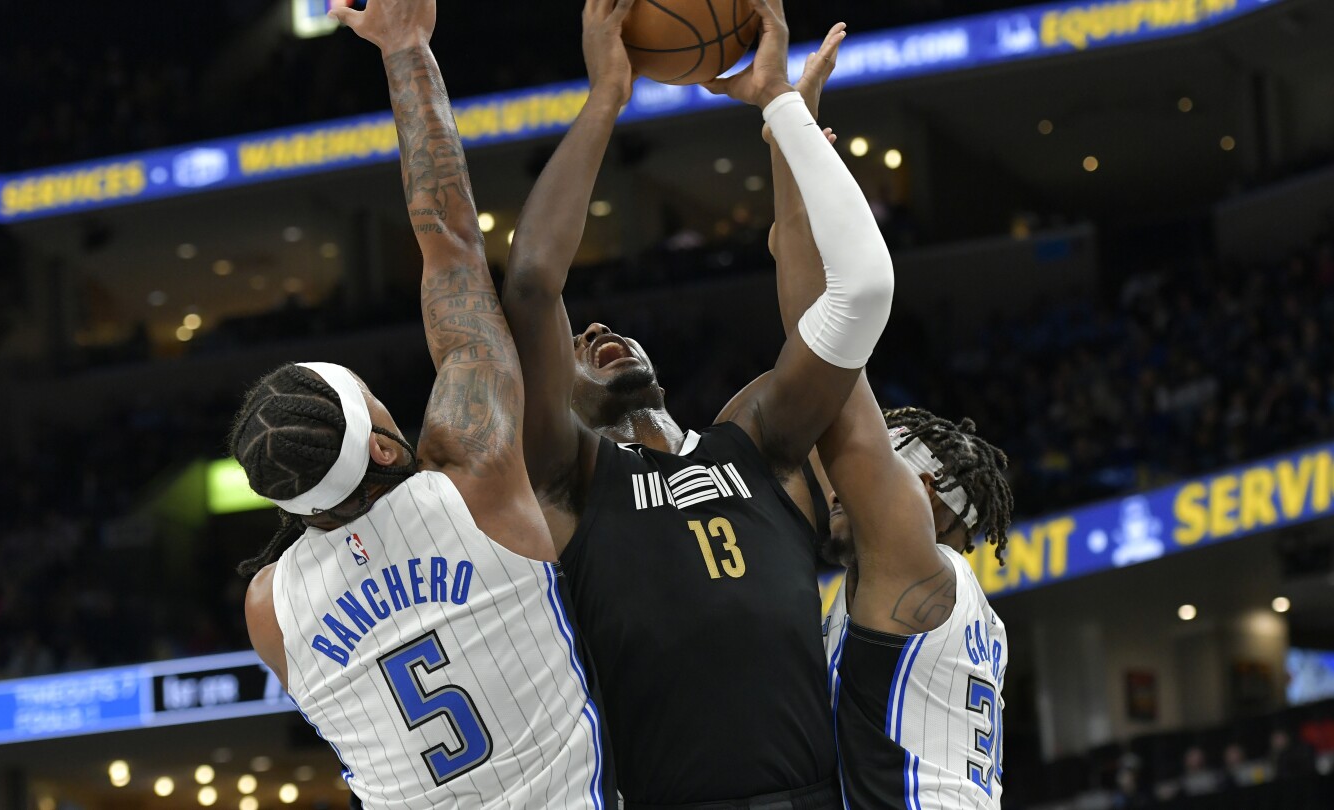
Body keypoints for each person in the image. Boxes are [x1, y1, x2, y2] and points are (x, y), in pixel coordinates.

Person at [501, 0, 894, 804]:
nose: (598, 329)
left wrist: (782, 107)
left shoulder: (756, 439)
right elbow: (535, 284)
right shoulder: (567, 479)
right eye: (580, 343)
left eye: (607, 331)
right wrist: (606, 97)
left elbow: (855, 297)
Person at [232, 0, 612, 806]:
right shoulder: (470, 483)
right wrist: (407, 50)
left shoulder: (270, 608)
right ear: (379, 444)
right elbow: (450, 244)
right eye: (373, 402)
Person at [760, 45, 1015, 806]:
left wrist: (782, 110)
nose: (835, 476)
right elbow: (798, 274)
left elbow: (825, 337)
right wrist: (784, 146)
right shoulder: (945, 600)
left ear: (926, 492)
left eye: (880, 463)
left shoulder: (913, 560)